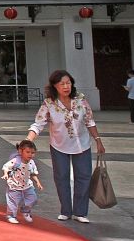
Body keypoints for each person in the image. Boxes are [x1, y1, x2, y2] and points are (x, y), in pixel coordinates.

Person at [27, 70, 105, 223]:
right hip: (59, 146)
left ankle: (80, 212)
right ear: (54, 86)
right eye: (62, 84)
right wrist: (28, 139)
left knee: (83, 177)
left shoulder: (81, 101)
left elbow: (90, 121)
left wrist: (98, 140)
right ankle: (66, 210)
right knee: (61, 177)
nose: (66, 86)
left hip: (82, 145)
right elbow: (38, 123)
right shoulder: (49, 103)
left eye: (68, 83)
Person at [1, 139, 43, 224]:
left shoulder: (32, 163)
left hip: (27, 185)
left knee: (33, 198)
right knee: (13, 201)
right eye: (28, 152)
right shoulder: (16, 161)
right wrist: (5, 174)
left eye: (32, 153)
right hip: (14, 185)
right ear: (20, 151)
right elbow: (6, 167)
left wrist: (38, 182)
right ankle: (11, 215)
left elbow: (33, 173)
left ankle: (25, 210)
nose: (30, 155)